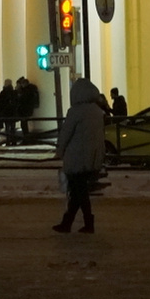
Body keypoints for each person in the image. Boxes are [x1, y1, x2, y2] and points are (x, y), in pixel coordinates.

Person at [55, 79, 108, 234]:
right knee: (80, 191)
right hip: (91, 156)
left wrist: (59, 151)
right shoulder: (97, 112)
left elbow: (66, 134)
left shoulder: (75, 112)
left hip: (76, 156)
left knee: (78, 192)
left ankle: (74, 223)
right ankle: (75, 222)